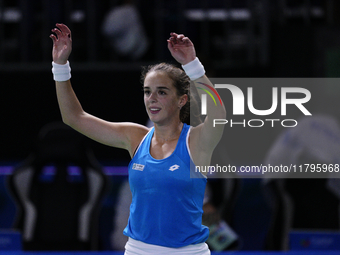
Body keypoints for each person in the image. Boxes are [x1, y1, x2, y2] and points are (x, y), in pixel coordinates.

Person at [50, 23, 226, 254]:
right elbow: (74, 117)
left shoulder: (197, 141)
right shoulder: (135, 137)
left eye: (162, 92)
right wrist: (60, 65)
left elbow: (218, 114)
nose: (152, 98)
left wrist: (191, 64)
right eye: (147, 91)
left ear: (182, 100)